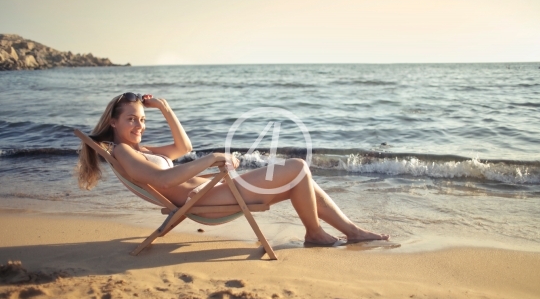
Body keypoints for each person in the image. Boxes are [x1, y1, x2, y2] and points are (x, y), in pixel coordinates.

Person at [77, 93, 390, 245]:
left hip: (213, 191)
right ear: (114, 122)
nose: (139, 125)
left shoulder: (138, 150)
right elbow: (162, 178)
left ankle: (350, 231)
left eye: (142, 119)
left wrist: (167, 109)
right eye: (132, 119)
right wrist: (212, 159)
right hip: (206, 201)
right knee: (296, 167)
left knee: (300, 175)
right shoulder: (124, 153)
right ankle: (315, 233)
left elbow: (183, 149)